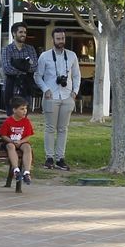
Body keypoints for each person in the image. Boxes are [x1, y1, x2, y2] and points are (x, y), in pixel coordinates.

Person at [34, 28, 80, 169]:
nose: (61, 41)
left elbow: (77, 75)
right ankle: (49, 157)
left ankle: (60, 158)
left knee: (63, 129)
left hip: (67, 96)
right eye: (58, 38)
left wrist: (75, 92)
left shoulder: (72, 55)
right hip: (51, 96)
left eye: (63, 38)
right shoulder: (45, 56)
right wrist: (45, 89)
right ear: (53, 39)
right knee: (49, 128)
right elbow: (37, 75)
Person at [0, 21, 38, 112]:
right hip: (11, 88)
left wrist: (17, 65)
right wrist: (25, 68)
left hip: (26, 87)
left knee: (24, 115)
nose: (23, 34)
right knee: (11, 116)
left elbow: (35, 66)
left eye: (25, 32)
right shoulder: (7, 49)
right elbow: (7, 68)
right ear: (14, 33)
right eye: (20, 32)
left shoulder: (30, 49)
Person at [0, 99, 35, 183]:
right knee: (10, 146)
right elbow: (3, 135)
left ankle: (27, 172)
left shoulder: (26, 121)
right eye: (22, 109)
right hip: (10, 142)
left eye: (25, 109)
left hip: (21, 142)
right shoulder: (8, 121)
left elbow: (28, 136)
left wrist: (21, 141)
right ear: (14, 110)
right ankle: (16, 169)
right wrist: (11, 141)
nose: (24, 111)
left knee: (27, 147)